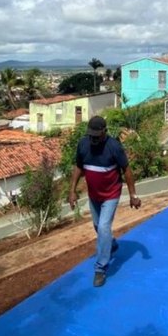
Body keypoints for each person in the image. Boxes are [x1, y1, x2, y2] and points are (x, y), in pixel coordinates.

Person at [69, 116, 141, 287]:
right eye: (91, 135)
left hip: (111, 194)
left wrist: (133, 195)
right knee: (98, 227)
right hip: (94, 195)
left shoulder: (114, 147)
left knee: (103, 227)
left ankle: (100, 268)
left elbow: (127, 170)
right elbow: (79, 167)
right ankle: (111, 243)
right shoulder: (83, 144)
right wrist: (71, 191)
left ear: (104, 132)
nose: (93, 139)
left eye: (97, 136)